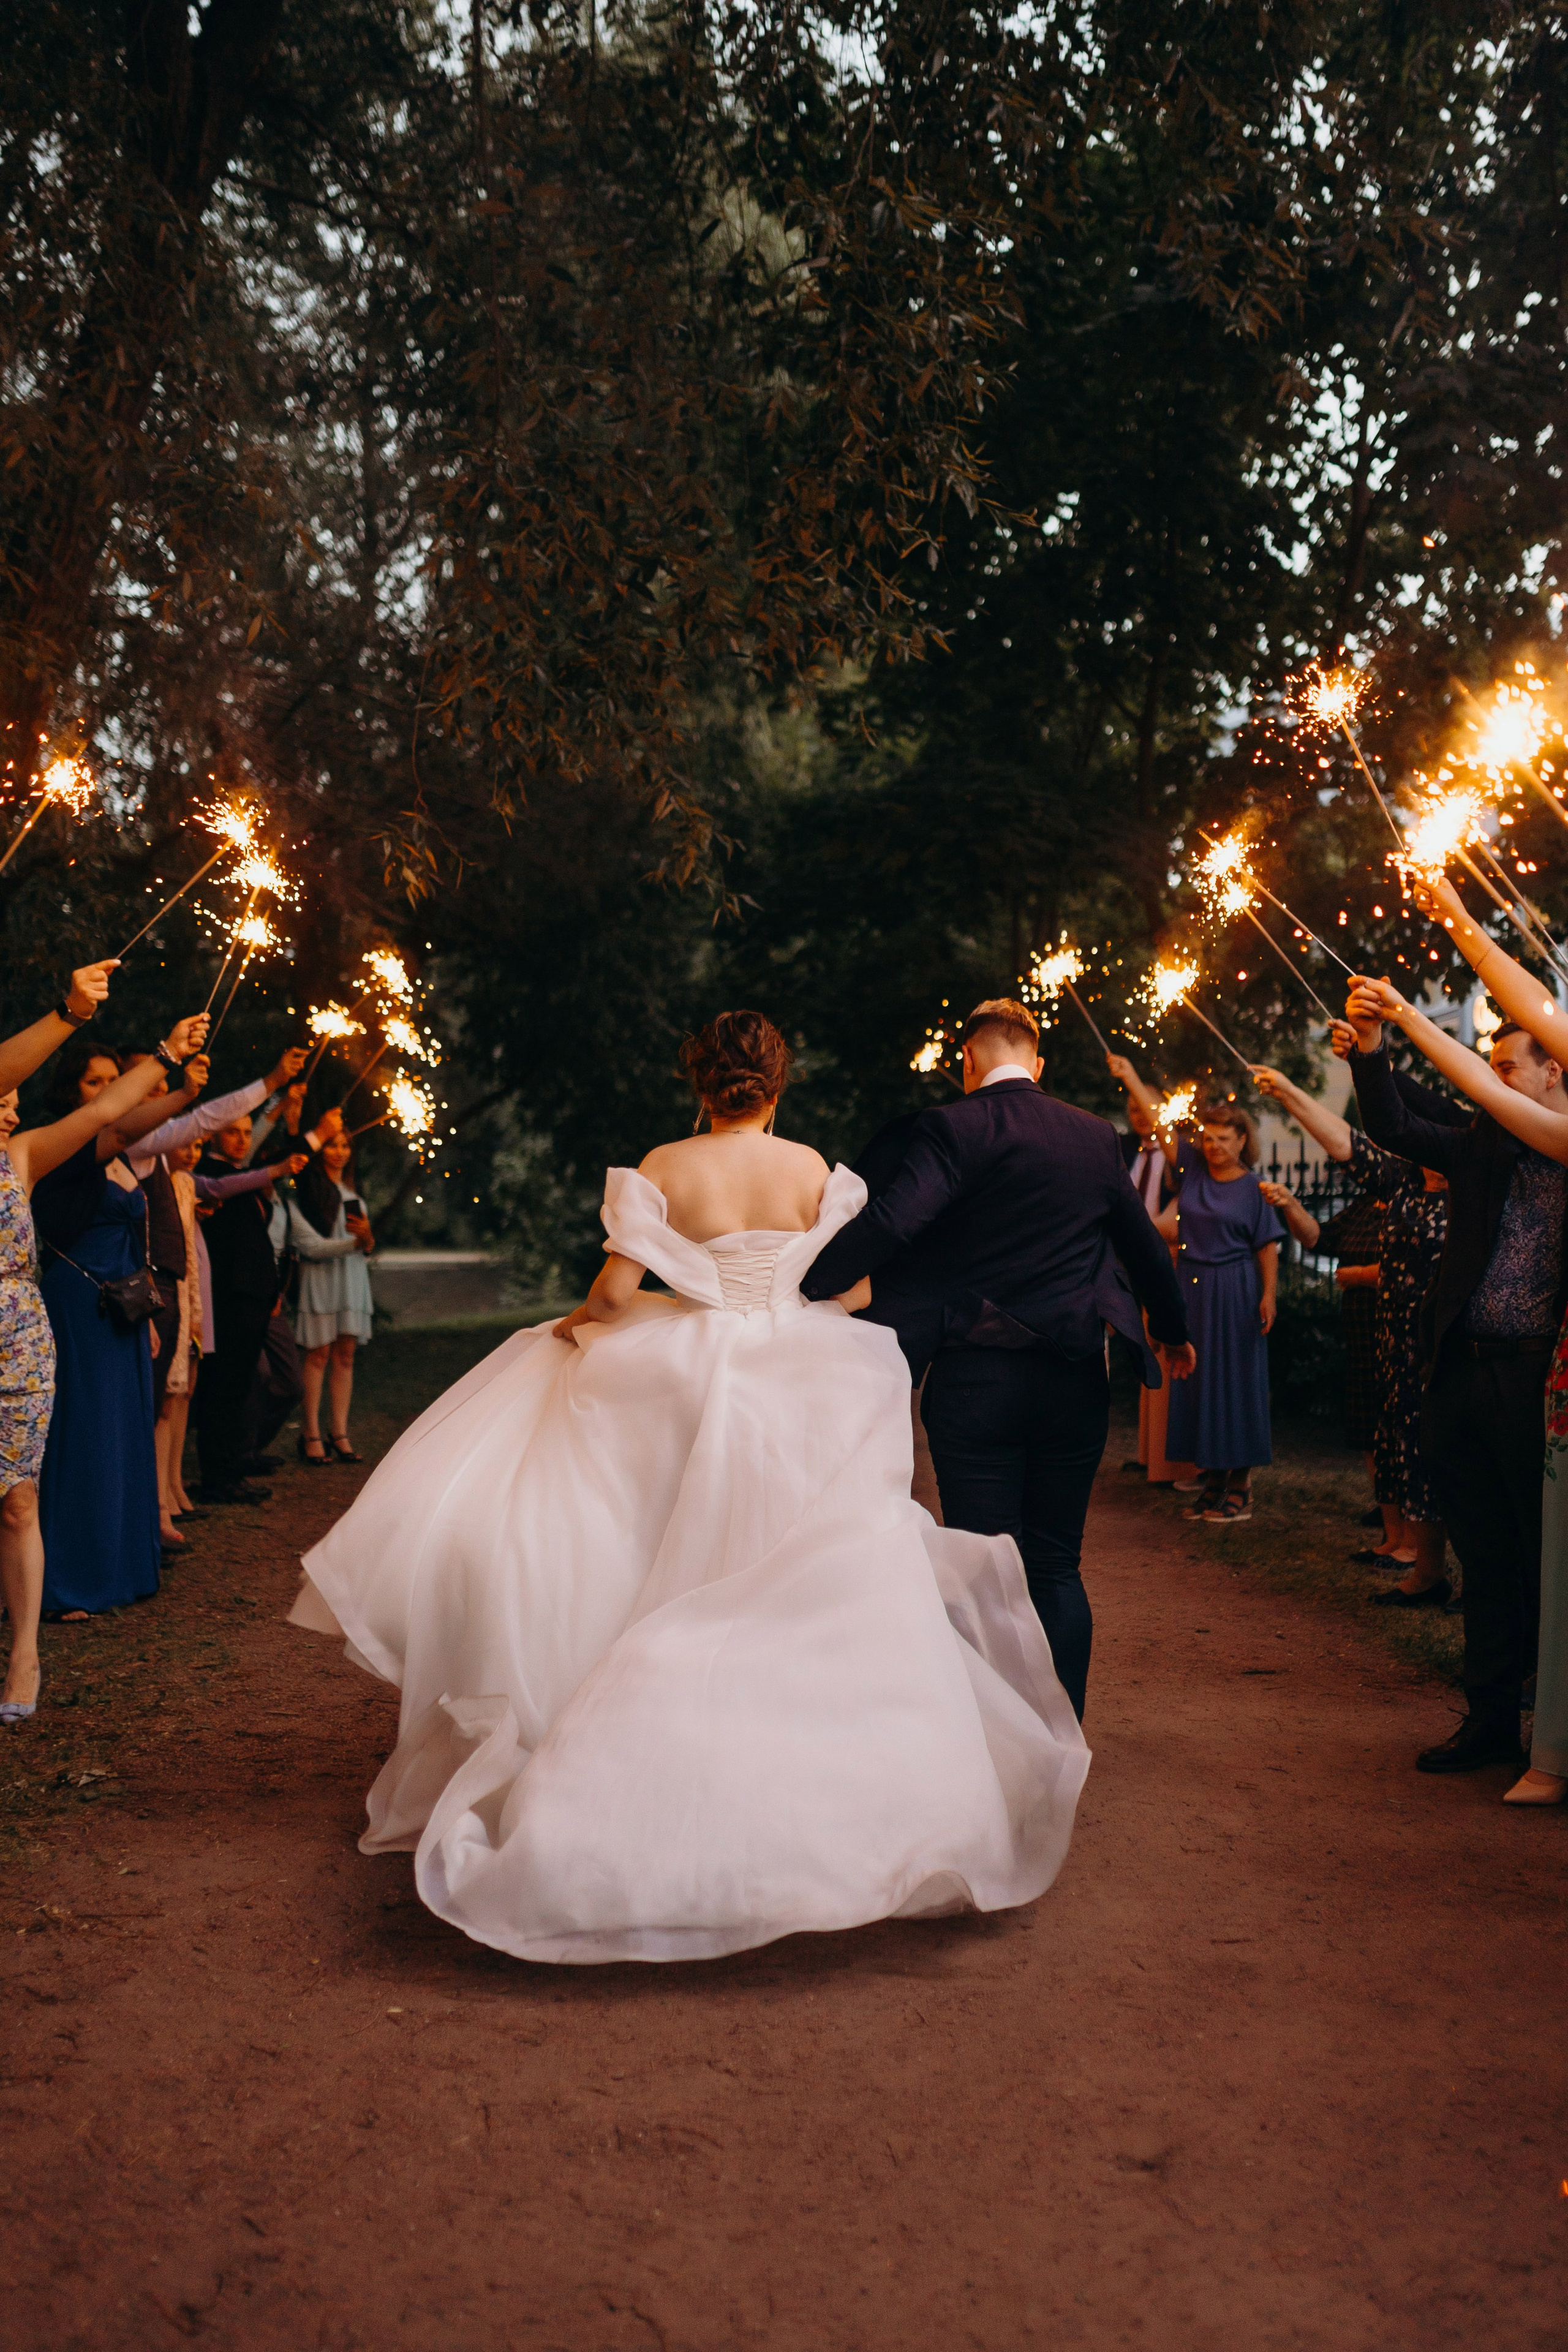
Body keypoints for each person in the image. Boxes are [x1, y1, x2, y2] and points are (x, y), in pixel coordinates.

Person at [290, 1009, 1091, 1966]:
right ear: (777, 1083)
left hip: (686, 1375)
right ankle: (830, 1776)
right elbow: (858, 1293)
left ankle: (638, 1738)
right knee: (807, 1566)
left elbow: (618, 1297)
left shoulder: (665, 1165)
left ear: (701, 1084)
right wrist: (773, 1298)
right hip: (800, 1374)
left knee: (652, 1551)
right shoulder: (812, 1171)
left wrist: (585, 1325)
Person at [799, 998, 1194, 1717]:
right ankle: (1061, 1731)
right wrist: (1172, 1329)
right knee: (1055, 1565)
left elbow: (894, 1220)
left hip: (975, 1381)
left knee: (985, 1565)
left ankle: (994, 1740)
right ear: (1037, 1064)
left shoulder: (953, 1127)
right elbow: (1143, 1248)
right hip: (1074, 1378)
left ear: (967, 1062)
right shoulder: (1093, 1136)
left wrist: (807, 1285)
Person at [1354, 900, 1568, 1806]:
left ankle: (1544, 1728)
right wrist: (1371, 1054)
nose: (1494, 1076)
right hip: (1467, 1368)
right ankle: (1488, 1719)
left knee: (1541, 1558)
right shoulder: (1484, 1144)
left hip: (1539, 1380)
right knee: (1484, 1549)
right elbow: (1400, 1125)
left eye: (1509, 1064)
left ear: (1551, 1073)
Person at [26, 1016, 209, 1638]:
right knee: (85, 1437)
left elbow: (135, 1131)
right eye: (94, 1082)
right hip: (78, 1304)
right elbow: (123, 1122)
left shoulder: (123, 1158)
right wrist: (176, 1087)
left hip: (124, 1308)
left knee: (124, 1434)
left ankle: (123, 1568)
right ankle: (70, 1578)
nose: (105, 1090)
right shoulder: (63, 1148)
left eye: (112, 1080)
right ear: (69, 1091)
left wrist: (148, 1314)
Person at [1253, 1058, 1451, 1604]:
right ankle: (1427, 1571)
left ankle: (1474, 1579)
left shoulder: (1470, 1192)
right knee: (1406, 1456)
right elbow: (1349, 1147)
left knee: (1449, 1466)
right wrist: (1291, 1090)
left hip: (1447, 1352)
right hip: (1396, 1347)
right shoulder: (1405, 1183)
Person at [0, 964, 141, 1721]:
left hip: (17, 1340)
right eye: (4, 1092)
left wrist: (169, 1062)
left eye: (16, 1097)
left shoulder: (18, 1160)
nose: (9, 1103)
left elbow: (108, 1113)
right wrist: (70, 1011)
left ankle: (24, 1655)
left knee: (19, 1501)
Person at [1148, 1101, 1283, 1526]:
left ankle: (1240, 1485)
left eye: (1224, 1138)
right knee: (1199, 1382)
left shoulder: (1255, 1188)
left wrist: (1270, 1295)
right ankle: (1212, 1480)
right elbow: (1158, 1121)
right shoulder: (1192, 1168)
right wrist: (1131, 1076)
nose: (1215, 1145)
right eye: (1208, 1137)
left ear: (1242, 1140)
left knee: (1237, 1382)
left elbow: (1266, 1245)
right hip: (1193, 1289)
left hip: (1237, 1290)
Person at [1104, 1054, 1194, 1489]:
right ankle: (1150, 1456)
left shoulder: (1182, 1156)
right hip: (1130, 1264)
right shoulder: (1126, 1152)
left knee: (1167, 1348)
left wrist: (1130, 1074)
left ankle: (1173, 1464)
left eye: (1147, 1108)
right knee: (1145, 1352)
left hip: (1171, 1262)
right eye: (1133, 1109)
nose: (1139, 1116)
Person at [288, 1133, 375, 1463]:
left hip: (351, 1275)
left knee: (346, 1354)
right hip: (322, 1274)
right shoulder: (306, 1196)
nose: (339, 1152)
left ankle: (339, 1431)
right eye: (332, 1144)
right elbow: (312, 1244)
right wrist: (358, 1244)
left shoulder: (354, 1193)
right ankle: (310, 1433)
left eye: (345, 1145)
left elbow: (364, 1243)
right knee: (319, 1353)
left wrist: (367, 1240)